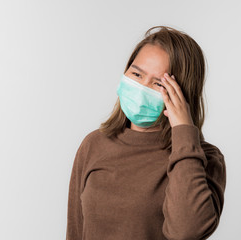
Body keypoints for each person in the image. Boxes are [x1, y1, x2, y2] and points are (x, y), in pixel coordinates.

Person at [66, 25, 226, 240]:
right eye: (136, 74)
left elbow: (186, 232)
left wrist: (184, 131)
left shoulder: (204, 158)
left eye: (158, 83)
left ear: (181, 93)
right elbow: (76, 229)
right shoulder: (94, 144)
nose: (141, 87)